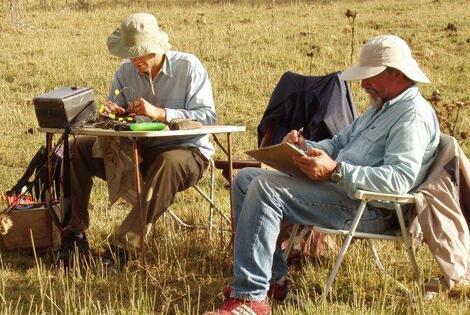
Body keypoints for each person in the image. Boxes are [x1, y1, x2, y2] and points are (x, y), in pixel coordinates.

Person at [205, 35, 440, 314]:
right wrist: (306, 147)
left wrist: (336, 171)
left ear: (395, 74)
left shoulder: (411, 116)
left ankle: (250, 298)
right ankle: (272, 280)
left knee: (266, 189)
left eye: (370, 76)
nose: (363, 84)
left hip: (371, 209)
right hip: (343, 193)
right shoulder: (381, 108)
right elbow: (339, 144)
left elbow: (399, 182)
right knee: (246, 181)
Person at [58, 13, 217, 269]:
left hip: (186, 153)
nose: (135, 61)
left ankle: (124, 248)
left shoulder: (188, 67)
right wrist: (114, 116)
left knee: (168, 161)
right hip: (135, 151)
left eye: (141, 53)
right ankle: (74, 236)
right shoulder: (124, 72)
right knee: (77, 147)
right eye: (130, 54)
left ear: (157, 47)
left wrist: (161, 114)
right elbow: (116, 121)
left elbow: (208, 117)